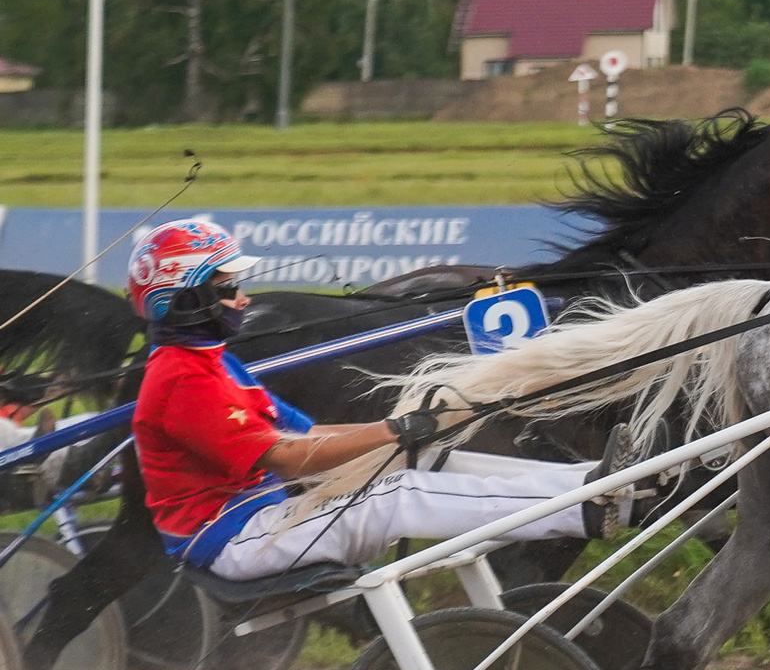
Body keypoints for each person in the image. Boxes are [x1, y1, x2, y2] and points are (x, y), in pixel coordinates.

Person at [126, 219, 647, 581]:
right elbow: (284, 458)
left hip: (261, 520)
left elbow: (305, 435)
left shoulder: (214, 362)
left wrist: (402, 430)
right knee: (396, 494)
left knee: (431, 459)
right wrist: (391, 433)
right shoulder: (180, 382)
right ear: (185, 299)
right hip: (233, 541)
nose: (241, 298)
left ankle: (597, 486)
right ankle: (583, 509)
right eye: (225, 288)